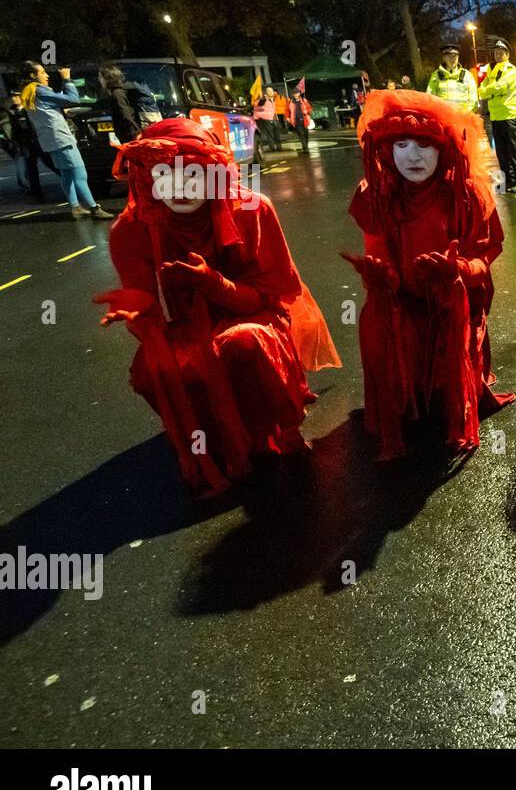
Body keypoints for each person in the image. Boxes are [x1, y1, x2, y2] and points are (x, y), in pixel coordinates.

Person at [94, 118, 340, 497]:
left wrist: (213, 283)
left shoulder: (252, 209)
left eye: (191, 173)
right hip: (188, 323)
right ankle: (212, 434)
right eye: (164, 173)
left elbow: (270, 296)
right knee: (149, 367)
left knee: (242, 344)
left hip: (254, 315)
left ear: (214, 173)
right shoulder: (134, 226)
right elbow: (143, 300)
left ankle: (266, 432)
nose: (178, 186)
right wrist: (138, 312)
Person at [343, 90, 515, 459]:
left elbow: (482, 261)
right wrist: (380, 276)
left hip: (455, 301)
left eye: (424, 144)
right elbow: (380, 254)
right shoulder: (377, 195)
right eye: (400, 144)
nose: (412, 155)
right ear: (386, 150)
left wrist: (459, 269)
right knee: (375, 320)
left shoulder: (466, 195)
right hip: (402, 301)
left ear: (444, 149)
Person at [19, 61, 113, 219]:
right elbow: (73, 98)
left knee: (66, 174)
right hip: (61, 138)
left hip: (49, 140)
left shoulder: (28, 92)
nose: (47, 75)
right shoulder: (40, 90)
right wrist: (67, 79)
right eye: (42, 72)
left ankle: (75, 207)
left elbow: (51, 107)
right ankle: (94, 208)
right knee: (80, 174)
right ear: (32, 76)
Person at [480, 39, 516, 192]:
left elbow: (501, 87)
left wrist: (488, 91)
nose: (497, 54)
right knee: (501, 152)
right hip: (495, 116)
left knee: (514, 150)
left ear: (507, 54)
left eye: (501, 52)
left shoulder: (511, 70)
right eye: (495, 52)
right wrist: (488, 90)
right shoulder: (492, 71)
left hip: (509, 115)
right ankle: (508, 181)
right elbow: (482, 88)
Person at [3, 90, 52, 200]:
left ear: (21, 97)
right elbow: (14, 128)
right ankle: (36, 192)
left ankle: (68, 180)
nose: (13, 99)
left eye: (16, 96)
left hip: (36, 141)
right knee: (31, 168)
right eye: (12, 97)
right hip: (25, 144)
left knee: (49, 162)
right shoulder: (11, 112)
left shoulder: (28, 109)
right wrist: (15, 141)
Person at [426, 43, 479, 113]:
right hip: (443, 119)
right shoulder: (435, 76)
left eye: (454, 55)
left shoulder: (467, 75)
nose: (452, 58)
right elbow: (430, 98)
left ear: (458, 57)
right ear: (444, 58)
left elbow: (473, 100)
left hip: (462, 119)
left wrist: (464, 114)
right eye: (448, 56)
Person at [252, 86, 282, 151]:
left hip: (275, 118)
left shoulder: (273, 99)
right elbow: (257, 104)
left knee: (277, 134)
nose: (271, 92)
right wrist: (264, 99)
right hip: (267, 119)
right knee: (270, 134)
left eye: (271, 91)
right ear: (266, 92)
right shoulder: (264, 99)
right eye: (269, 91)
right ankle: (272, 148)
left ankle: (279, 147)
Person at [287, 90, 312, 154]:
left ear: (299, 94)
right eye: (294, 93)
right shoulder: (290, 102)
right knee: (301, 134)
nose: (295, 94)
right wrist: (287, 117)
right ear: (293, 94)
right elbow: (286, 110)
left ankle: (305, 147)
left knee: (306, 134)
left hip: (304, 120)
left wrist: (307, 111)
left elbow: (309, 108)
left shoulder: (304, 100)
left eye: (297, 93)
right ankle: (306, 148)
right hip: (296, 120)